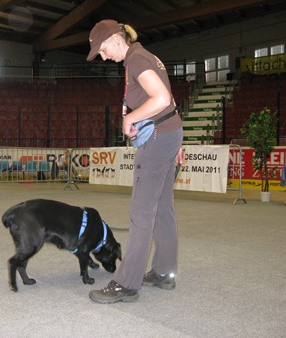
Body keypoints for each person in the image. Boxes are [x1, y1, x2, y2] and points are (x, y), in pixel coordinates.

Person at [86, 20, 185, 304]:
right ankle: (165, 272)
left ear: (116, 39)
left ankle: (127, 284)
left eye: (103, 50)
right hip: (167, 133)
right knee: (163, 208)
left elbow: (162, 97)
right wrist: (177, 140)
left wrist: (130, 117)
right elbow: (172, 99)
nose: (103, 57)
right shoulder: (145, 56)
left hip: (156, 140)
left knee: (141, 212)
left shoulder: (137, 59)